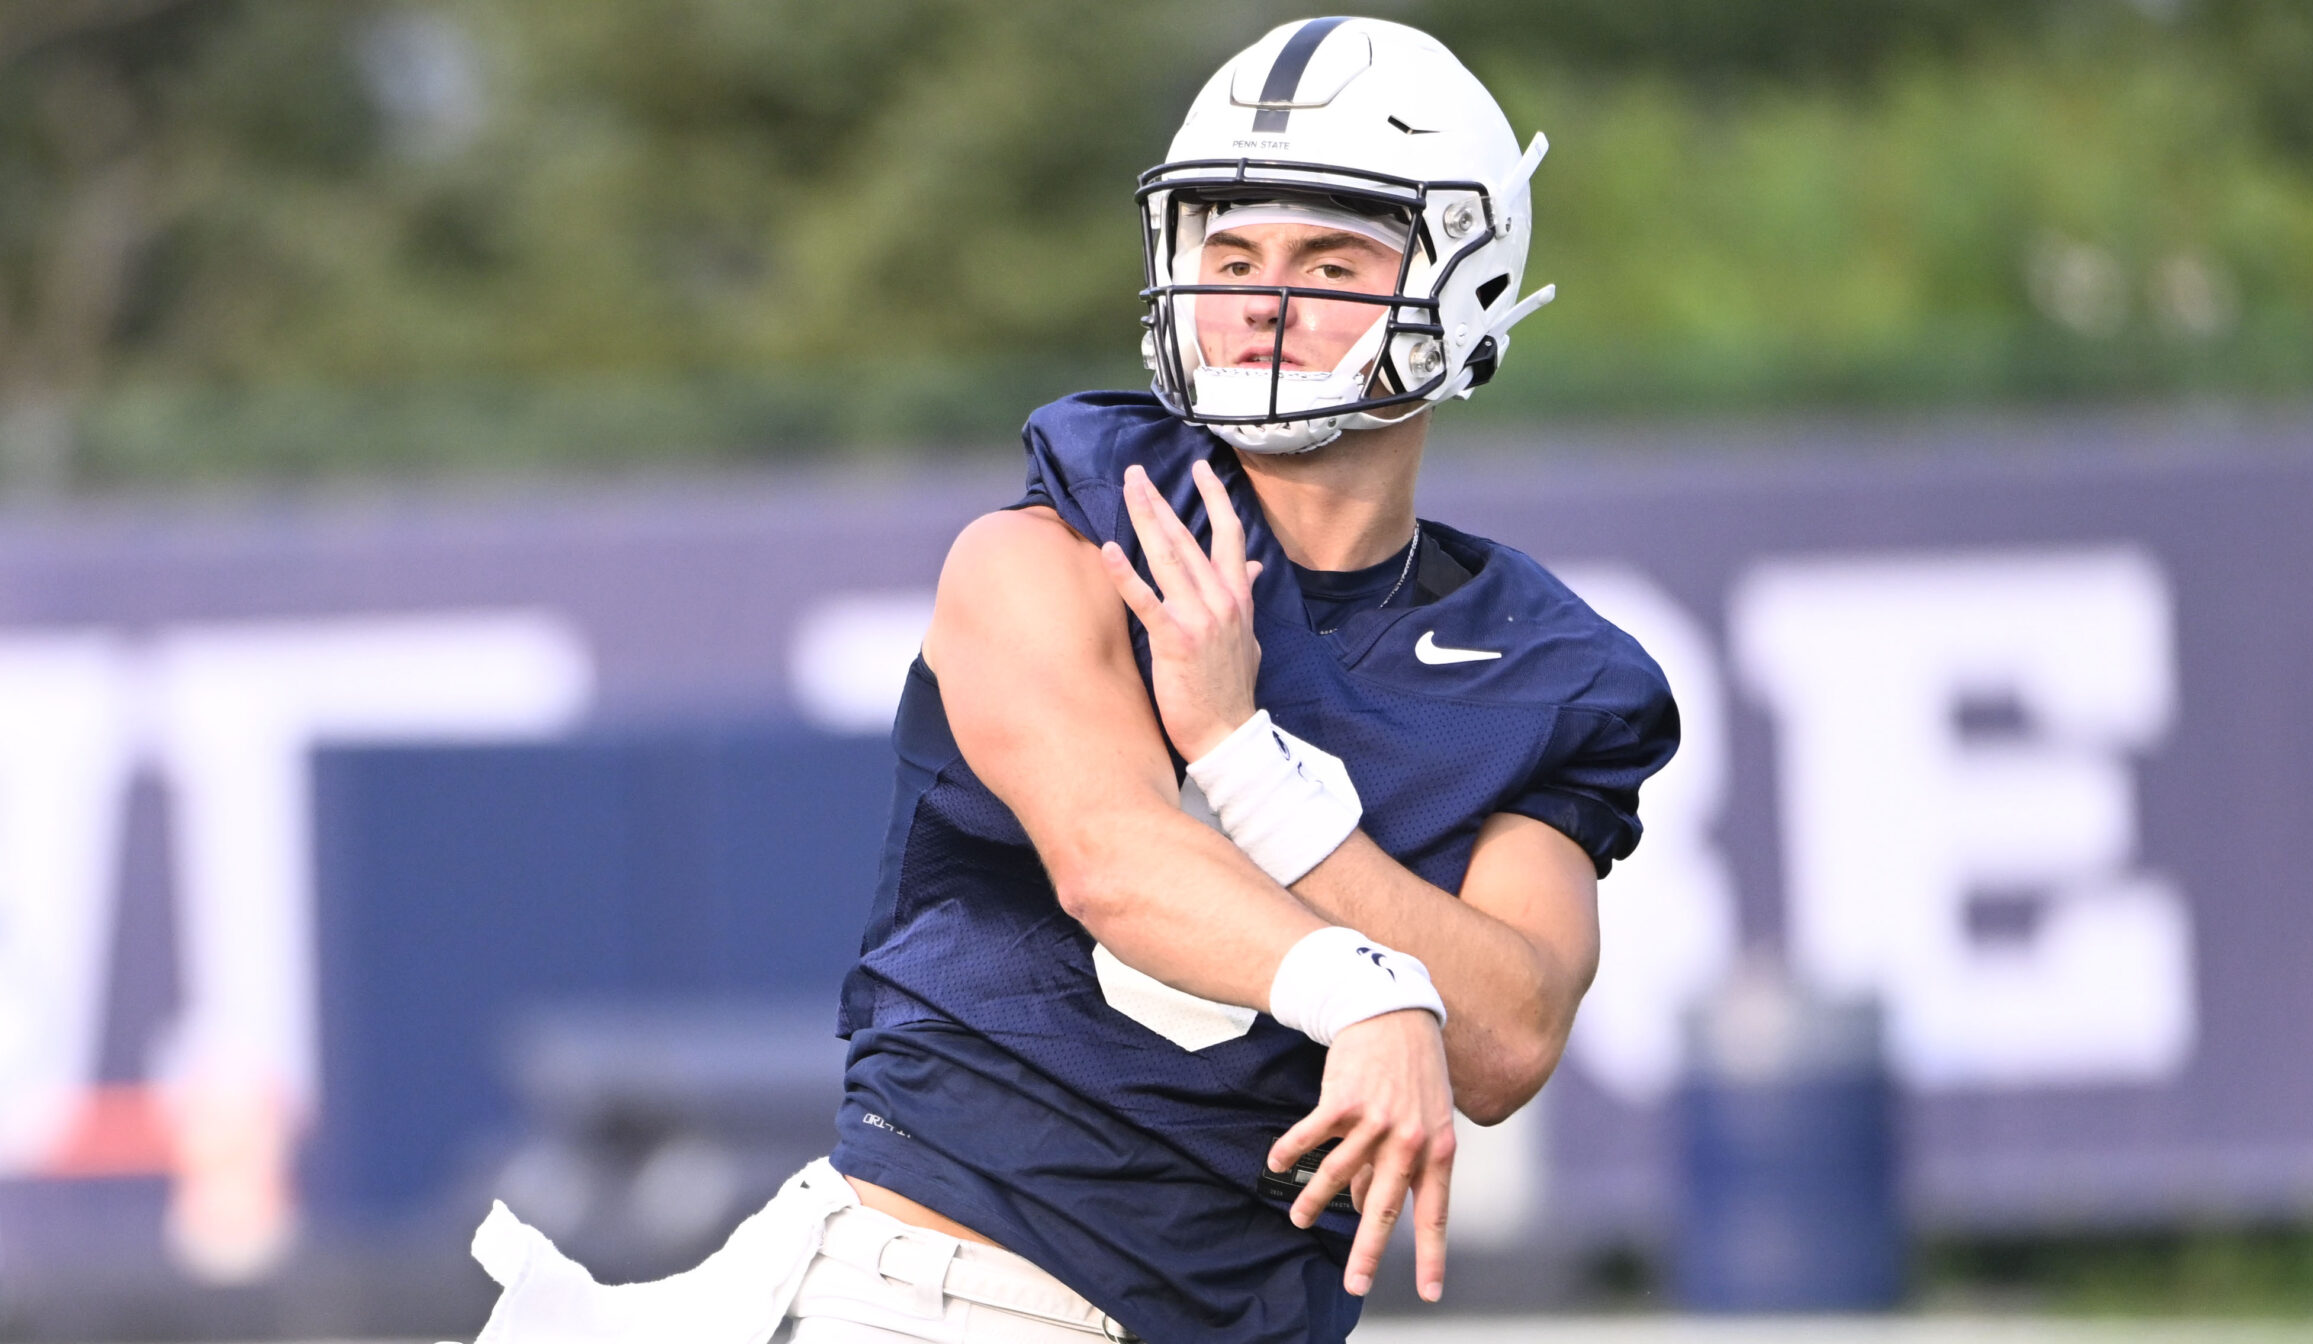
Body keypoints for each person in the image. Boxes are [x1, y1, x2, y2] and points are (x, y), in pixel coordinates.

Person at [451, 17, 1677, 1344]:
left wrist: (1243, 758)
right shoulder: (1054, 552)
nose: (1265, 301)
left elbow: (1503, 1039)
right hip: (935, 1300)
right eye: (1232, 254)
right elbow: (1112, 854)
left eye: (1331, 259)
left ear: (1468, 282)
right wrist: (1368, 982)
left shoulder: (1539, 666)